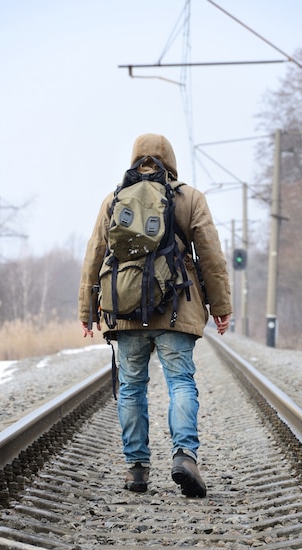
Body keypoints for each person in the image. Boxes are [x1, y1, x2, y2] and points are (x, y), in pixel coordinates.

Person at [78, 133, 232, 498]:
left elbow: (94, 256)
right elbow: (211, 257)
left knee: (131, 386)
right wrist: (221, 308)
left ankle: (136, 469)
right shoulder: (189, 197)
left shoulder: (114, 199)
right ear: (172, 159)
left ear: (134, 159)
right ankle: (184, 456)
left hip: (126, 311)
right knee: (180, 381)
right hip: (176, 308)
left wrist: (87, 310)